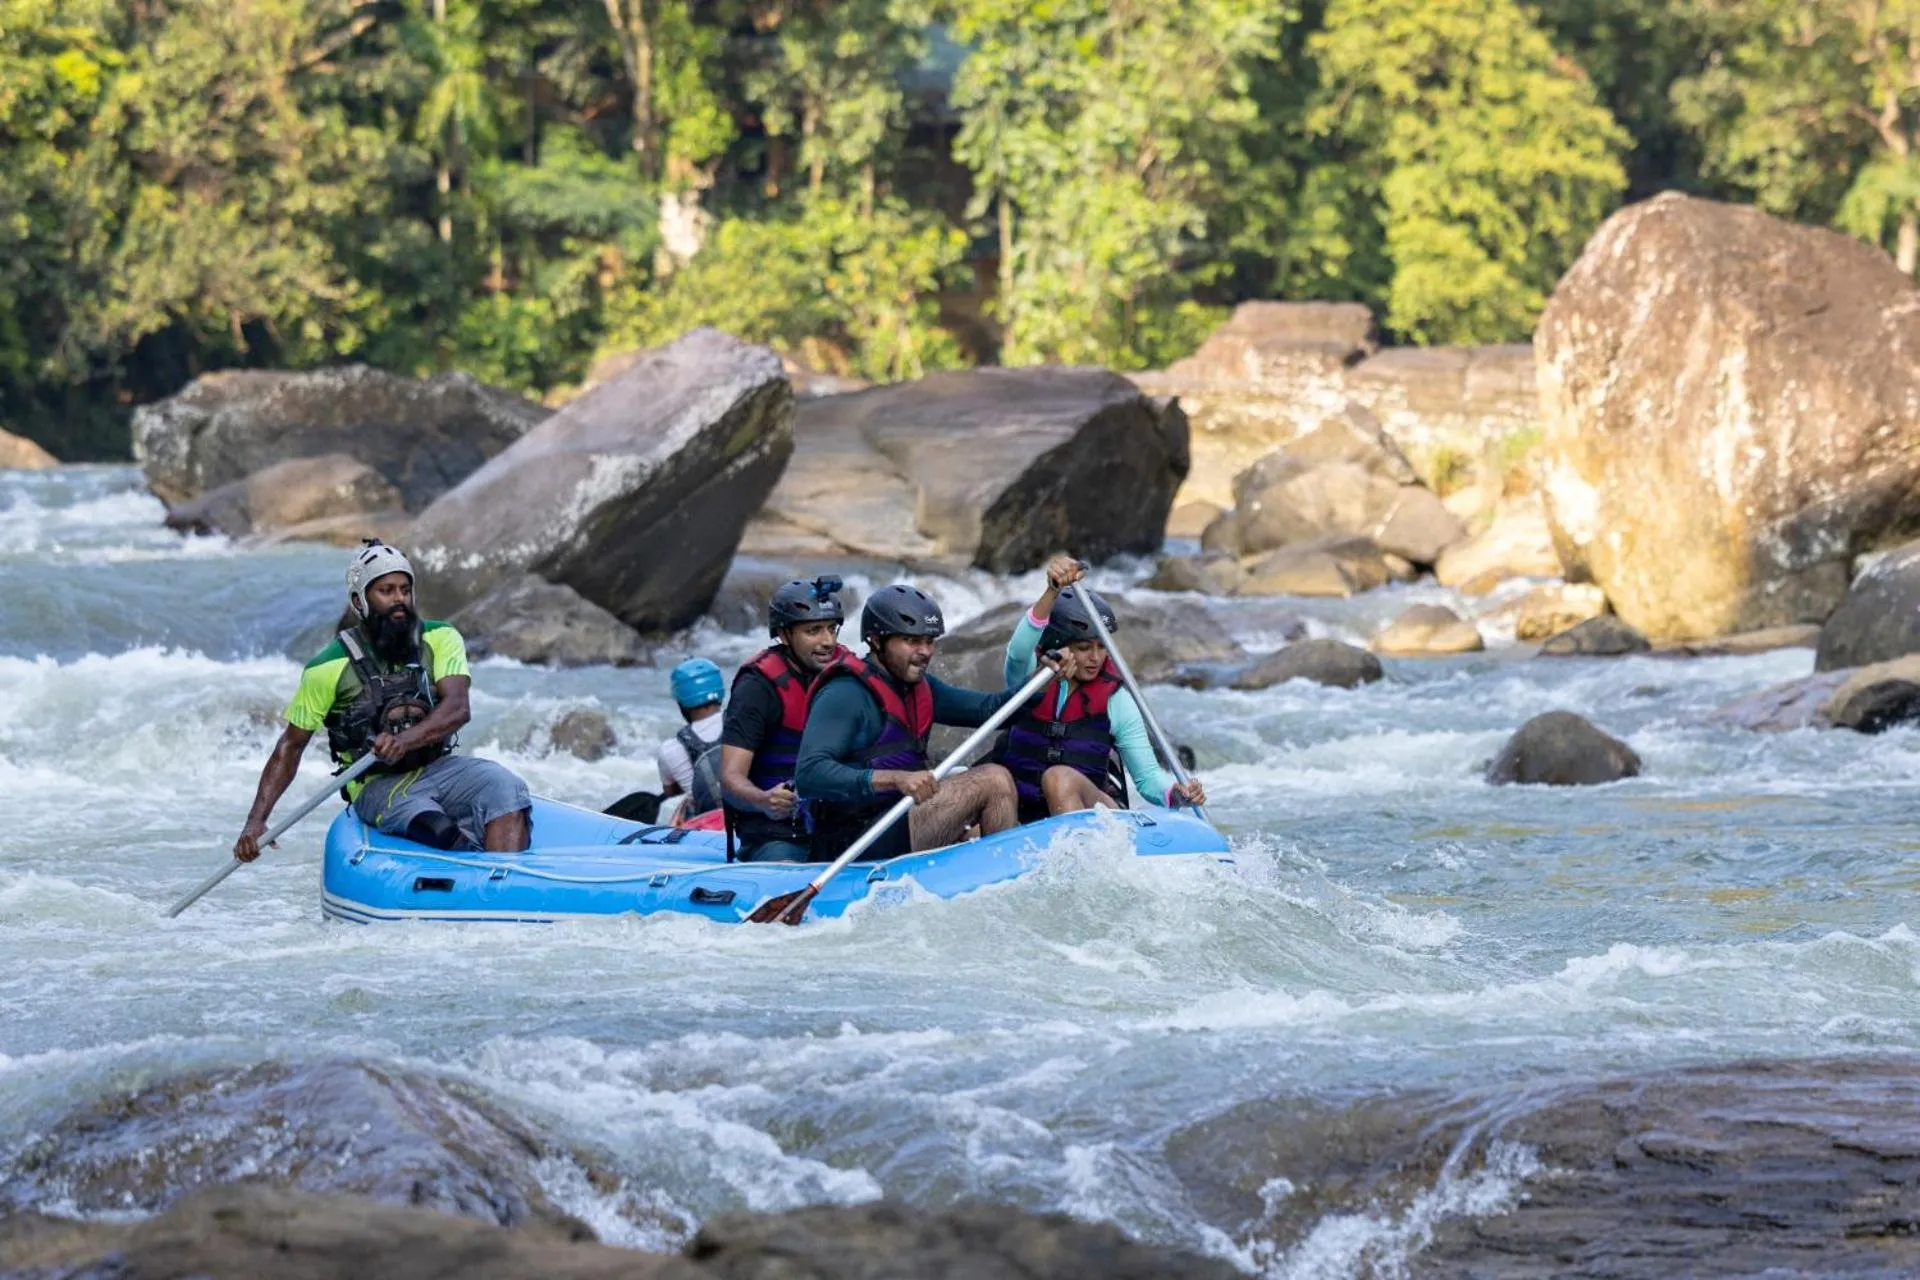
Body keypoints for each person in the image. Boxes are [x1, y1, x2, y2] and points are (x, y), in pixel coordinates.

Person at [233, 540, 531, 862]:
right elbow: (291, 746)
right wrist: (256, 821)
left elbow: (457, 708)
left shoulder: (441, 638)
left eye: (405, 589)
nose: (399, 600)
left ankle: (505, 880)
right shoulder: (326, 668)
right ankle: (472, 868)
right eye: (386, 591)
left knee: (506, 788)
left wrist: (403, 740)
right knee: (437, 828)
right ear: (359, 601)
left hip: (438, 766)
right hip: (377, 786)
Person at [796, 584, 1053, 864]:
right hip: (855, 840)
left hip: (903, 817)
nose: (925, 651)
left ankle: (998, 873)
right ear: (876, 640)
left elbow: (988, 710)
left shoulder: (919, 686)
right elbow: (810, 774)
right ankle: (1005, 874)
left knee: (987, 809)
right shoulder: (846, 693)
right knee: (994, 780)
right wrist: (896, 778)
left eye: (929, 641)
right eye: (912, 641)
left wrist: (1041, 681)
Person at [999, 555, 1207, 822]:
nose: (1096, 658)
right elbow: (1017, 650)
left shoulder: (1116, 698)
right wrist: (1052, 590)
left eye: (1102, 646)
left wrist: (1175, 792)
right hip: (1025, 815)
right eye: (1084, 648)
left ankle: (1079, 857)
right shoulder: (1028, 678)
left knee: (1059, 778)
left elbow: (1147, 778)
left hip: (1094, 814)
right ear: (1057, 644)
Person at [719, 576, 851, 862]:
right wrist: (763, 800)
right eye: (813, 630)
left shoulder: (847, 672)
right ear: (785, 634)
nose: (827, 641)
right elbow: (730, 778)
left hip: (841, 828)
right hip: (777, 834)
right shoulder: (757, 686)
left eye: (831, 628)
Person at [656, 658, 725, 824]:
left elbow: (671, 793)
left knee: (677, 806)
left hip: (710, 825)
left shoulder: (670, 749)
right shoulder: (746, 721)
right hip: (754, 812)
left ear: (681, 703)